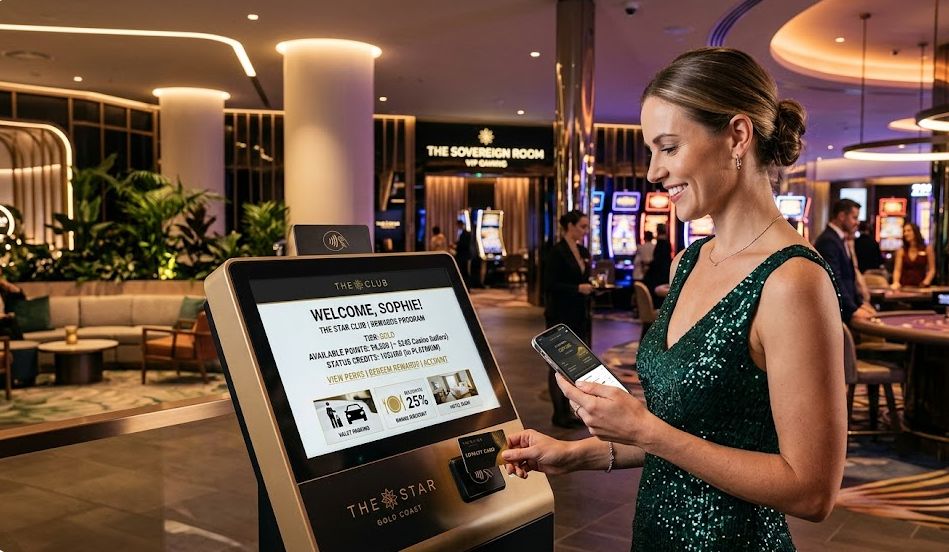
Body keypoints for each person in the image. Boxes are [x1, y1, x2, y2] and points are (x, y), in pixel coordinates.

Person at [502, 48, 846, 551]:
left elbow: (812, 491)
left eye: (667, 147)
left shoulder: (793, 280)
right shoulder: (693, 259)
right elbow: (691, 432)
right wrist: (575, 453)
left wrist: (646, 430)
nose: (652, 173)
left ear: (737, 136)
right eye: (650, 151)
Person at [543, 210, 594, 428]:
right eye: (582, 226)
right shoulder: (556, 251)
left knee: (575, 364)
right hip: (560, 315)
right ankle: (559, 414)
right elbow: (549, 284)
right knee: (558, 364)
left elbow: (585, 278)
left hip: (579, 313)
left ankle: (570, 411)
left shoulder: (581, 250)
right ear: (570, 226)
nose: (585, 230)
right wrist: (577, 288)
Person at [814, 199, 875, 323]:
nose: (857, 222)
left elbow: (849, 279)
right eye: (854, 218)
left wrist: (860, 304)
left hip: (847, 309)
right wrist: (853, 310)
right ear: (842, 216)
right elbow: (835, 280)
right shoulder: (828, 240)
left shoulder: (838, 239)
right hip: (839, 316)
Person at [891, 222, 935, 288]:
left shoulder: (927, 249)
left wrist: (925, 282)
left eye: (909, 231)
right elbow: (897, 270)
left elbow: (932, 269)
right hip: (904, 287)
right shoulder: (901, 250)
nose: (906, 233)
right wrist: (896, 282)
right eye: (904, 231)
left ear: (915, 232)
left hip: (922, 287)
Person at [643, 223, 672, 305]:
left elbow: (658, 260)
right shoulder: (666, 242)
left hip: (659, 273)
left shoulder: (661, 243)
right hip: (665, 271)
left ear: (657, 231)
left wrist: (649, 265)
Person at [454, 220, 472, 288]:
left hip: (463, 256)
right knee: (464, 272)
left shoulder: (465, 233)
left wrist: (456, 247)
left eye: (458, 225)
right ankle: (466, 287)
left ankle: (466, 287)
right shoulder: (464, 233)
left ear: (460, 225)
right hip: (464, 255)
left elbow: (464, 245)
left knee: (464, 272)